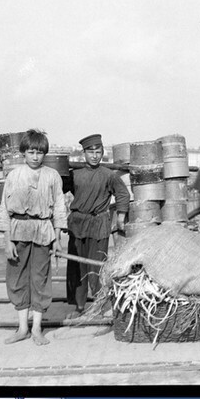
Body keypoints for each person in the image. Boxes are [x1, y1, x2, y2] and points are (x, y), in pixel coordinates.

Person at [0, 129, 67, 346]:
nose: (35, 157)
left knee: (40, 279)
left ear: (45, 154)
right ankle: (22, 328)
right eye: (31, 152)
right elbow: (5, 209)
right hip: (17, 231)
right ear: (23, 152)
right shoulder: (14, 176)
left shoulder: (52, 176)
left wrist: (58, 237)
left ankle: (36, 328)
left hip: (43, 231)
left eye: (40, 152)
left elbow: (60, 207)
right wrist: (7, 241)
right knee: (17, 279)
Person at [65, 133, 130, 319]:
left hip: (99, 224)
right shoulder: (75, 174)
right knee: (76, 266)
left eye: (98, 151)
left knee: (98, 266)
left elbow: (123, 194)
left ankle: (99, 305)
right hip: (77, 224)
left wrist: (121, 217)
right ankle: (78, 307)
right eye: (90, 151)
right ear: (83, 153)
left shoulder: (108, 175)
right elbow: (57, 187)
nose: (94, 155)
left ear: (103, 152)